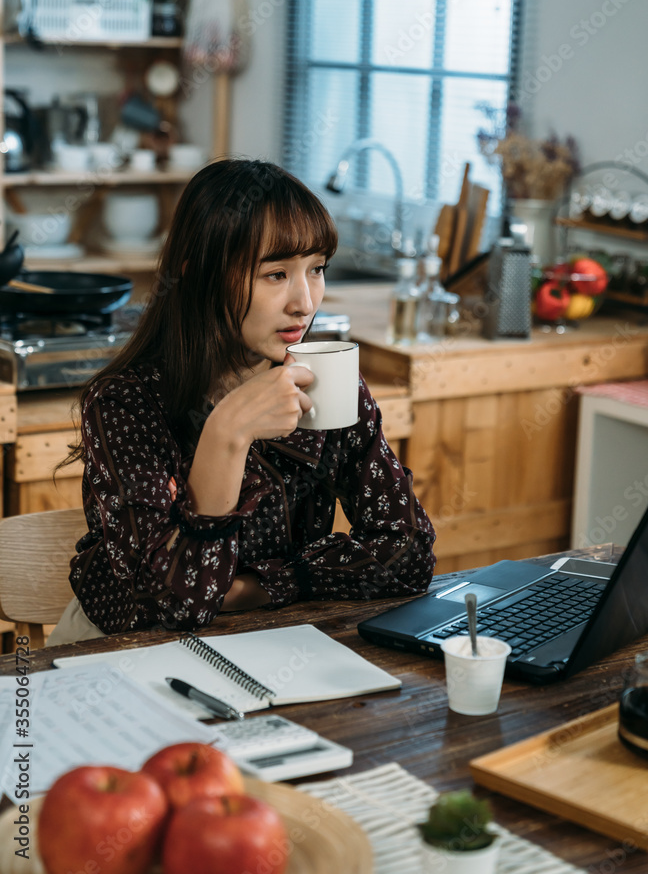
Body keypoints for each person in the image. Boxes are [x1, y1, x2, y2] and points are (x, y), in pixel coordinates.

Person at [47, 159, 436, 645]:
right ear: (195, 275)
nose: (305, 302)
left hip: (273, 635)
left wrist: (256, 587)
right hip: (119, 653)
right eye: (275, 274)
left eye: (316, 270)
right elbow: (174, 606)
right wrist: (226, 434)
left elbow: (407, 551)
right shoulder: (126, 404)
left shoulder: (326, 380)